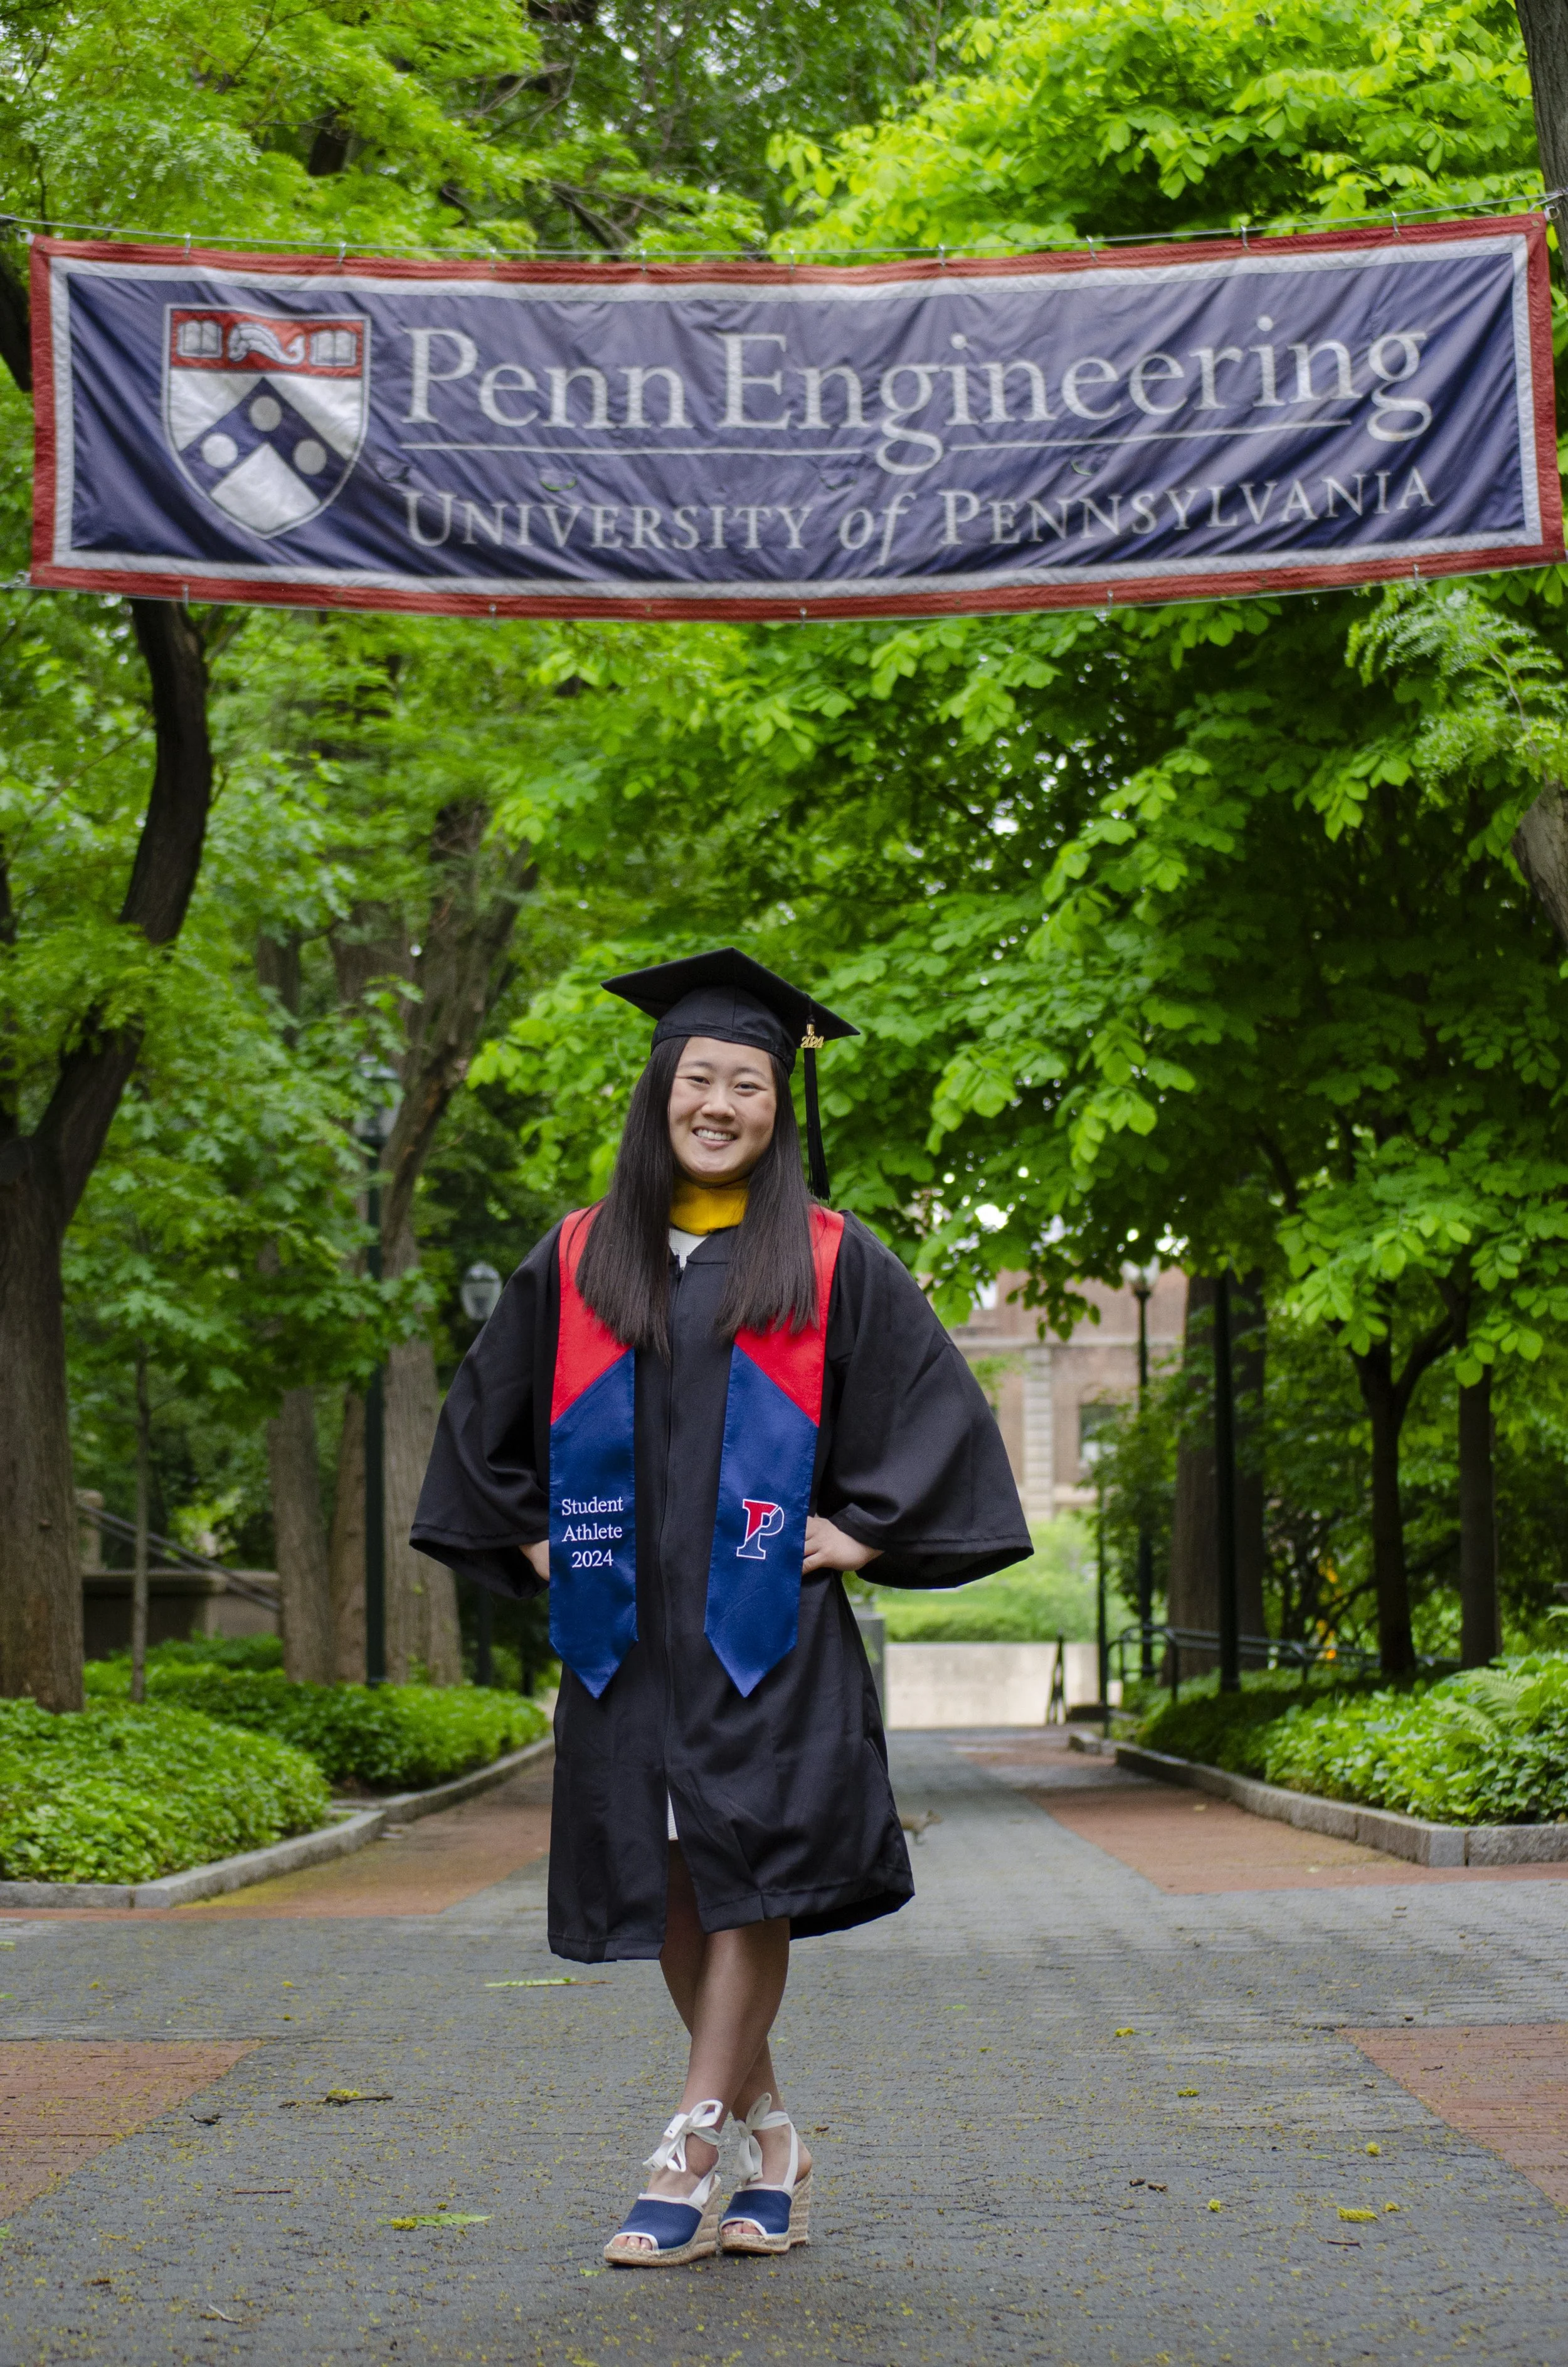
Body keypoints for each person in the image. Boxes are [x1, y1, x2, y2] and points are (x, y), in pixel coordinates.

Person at [412, 949, 1031, 2267]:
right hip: (623, 1637)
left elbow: (932, 1409)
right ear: (659, 1091)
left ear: (774, 1106)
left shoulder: (823, 1257)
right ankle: (774, 2142)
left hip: (764, 1632)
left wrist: (860, 1534)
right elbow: (486, 1422)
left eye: (745, 1083)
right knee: (669, 1885)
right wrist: (536, 1542)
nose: (719, 1102)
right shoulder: (580, 1254)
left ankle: (687, 2145)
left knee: (746, 1881)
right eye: (698, 1077)